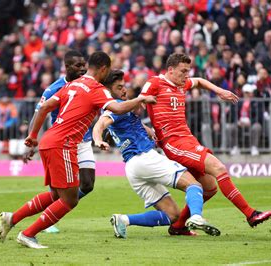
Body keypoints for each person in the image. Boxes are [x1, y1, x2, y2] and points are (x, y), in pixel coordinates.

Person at [0, 51, 156, 249]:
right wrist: (141, 99)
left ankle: (13, 218)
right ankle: (28, 234)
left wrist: (33, 136)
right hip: (63, 144)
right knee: (70, 200)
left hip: (50, 141)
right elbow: (118, 109)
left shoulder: (72, 84)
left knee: (57, 195)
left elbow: (45, 107)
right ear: (104, 69)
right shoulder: (96, 88)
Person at [140, 53, 271, 232]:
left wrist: (219, 91)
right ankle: (250, 214)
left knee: (210, 188)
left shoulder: (181, 84)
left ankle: (178, 227)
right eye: (183, 71)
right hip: (173, 142)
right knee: (219, 168)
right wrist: (145, 128)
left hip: (187, 139)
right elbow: (137, 104)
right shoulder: (155, 83)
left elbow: (200, 81)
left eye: (188, 71)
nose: (187, 75)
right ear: (170, 70)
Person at [93, 70, 220, 238]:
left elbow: (128, 124)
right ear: (109, 92)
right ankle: (196, 217)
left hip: (133, 169)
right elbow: (100, 124)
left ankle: (123, 220)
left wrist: (150, 132)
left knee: (172, 215)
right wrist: (97, 139)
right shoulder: (114, 108)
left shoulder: (122, 110)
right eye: (119, 88)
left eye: (124, 87)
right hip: (145, 158)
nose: (124, 90)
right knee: (194, 185)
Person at [23, 50, 90, 233]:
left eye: (85, 65)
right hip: (63, 142)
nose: (83, 69)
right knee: (58, 193)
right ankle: (48, 220)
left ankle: (52, 214)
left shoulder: (87, 84)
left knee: (88, 184)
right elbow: (40, 112)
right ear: (66, 67)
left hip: (84, 140)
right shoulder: (54, 88)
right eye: (78, 65)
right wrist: (32, 139)